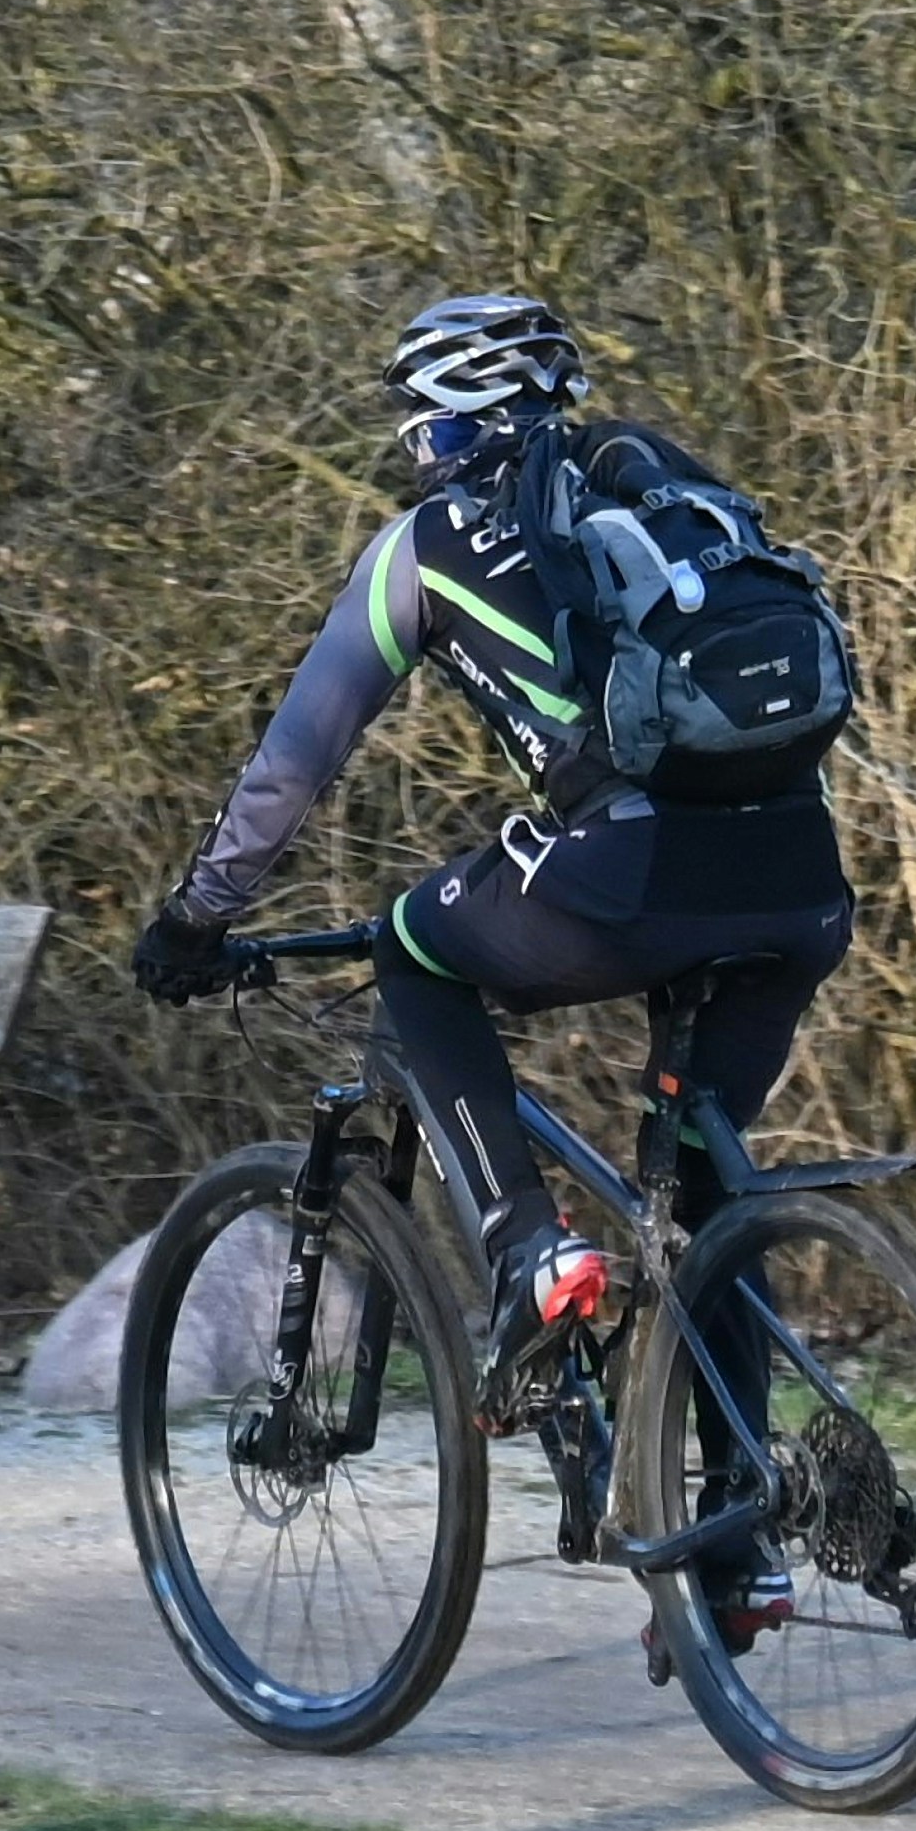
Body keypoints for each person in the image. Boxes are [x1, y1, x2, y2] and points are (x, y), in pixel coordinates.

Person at [131, 294, 855, 1639]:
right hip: (801, 879)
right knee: (703, 1195)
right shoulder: (673, 491)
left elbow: (296, 759)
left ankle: (528, 1254)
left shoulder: (425, 544)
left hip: (627, 874)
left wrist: (196, 915)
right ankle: (737, 1555)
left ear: (434, 421)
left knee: (414, 952)